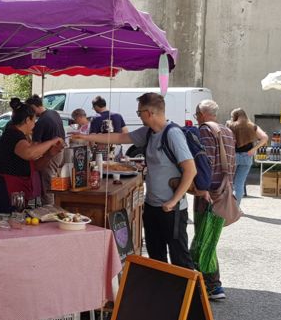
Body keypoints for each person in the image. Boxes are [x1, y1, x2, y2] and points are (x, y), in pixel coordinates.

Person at [72, 93, 196, 268]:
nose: (139, 116)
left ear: (149, 113)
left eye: (139, 113)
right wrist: (86, 137)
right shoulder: (148, 132)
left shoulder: (173, 133)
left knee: (180, 258)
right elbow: (119, 138)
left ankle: (191, 295)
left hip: (171, 209)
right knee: (155, 256)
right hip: (153, 205)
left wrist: (173, 200)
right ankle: (162, 293)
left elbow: (191, 170)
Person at [0, 100, 65, 214]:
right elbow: (29, 153)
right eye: (34, 120)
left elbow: (36, 166)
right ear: (27, 120)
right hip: (5, 191)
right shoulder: (12, 134)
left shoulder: (23, 137)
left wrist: (49, 154)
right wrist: (52, 141)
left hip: (18, 192)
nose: (35, 125)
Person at [194, 99, 236, 301]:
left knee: (204, 240)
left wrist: (201, 188)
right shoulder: (226, 131)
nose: (195, 117)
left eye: (196, 114)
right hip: (224, 190)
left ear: (201, 114)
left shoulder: (204, 131)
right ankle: (207, 282)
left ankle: (212, 285)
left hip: (209, 193)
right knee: (209, 238)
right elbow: (232, 162)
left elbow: (205, 162)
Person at [26, 94, 66, 205]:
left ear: (34, 107)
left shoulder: (41, 121)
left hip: (51, 154)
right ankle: (52, 206)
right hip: (61, 151)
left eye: (30, 109)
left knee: (47, 183)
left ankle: (48, 209)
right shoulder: (54, 113)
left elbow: (35, 145)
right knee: (52, 181)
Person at [227, 108, 269, 203]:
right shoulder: (252, 126)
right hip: (247, 156)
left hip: (232, 156)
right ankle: (236, 208)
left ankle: (228, 208)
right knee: (239, 184)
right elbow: (265, 137)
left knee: (229, 183)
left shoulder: (230, 125)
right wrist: (253, 149)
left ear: (235, 117)